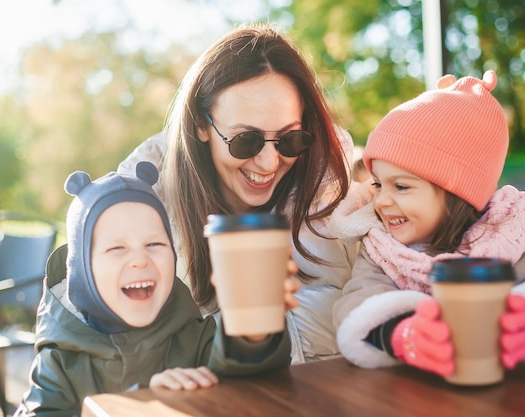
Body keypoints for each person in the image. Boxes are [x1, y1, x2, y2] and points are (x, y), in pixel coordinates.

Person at [330, 70, 525, 373]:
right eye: (378, 184)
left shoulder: (505, 236)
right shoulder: (382, 246)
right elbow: (359, 300)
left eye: (401, 186)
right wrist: (401, 332)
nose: (381, 201)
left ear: (456, 192)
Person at [118, 24, 356, 364]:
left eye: (290, 139)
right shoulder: (139, 206)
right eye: (247, 140)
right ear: (201, 125)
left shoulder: (336, 191)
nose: (270, 161)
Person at [14, 161, 297, 417]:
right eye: (116, 248)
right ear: (81, 272)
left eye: (154, 244)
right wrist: (142, 400)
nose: (139, 260)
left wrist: (254, 331)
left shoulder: (193, 337)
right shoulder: (61, 360)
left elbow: (250, 383)